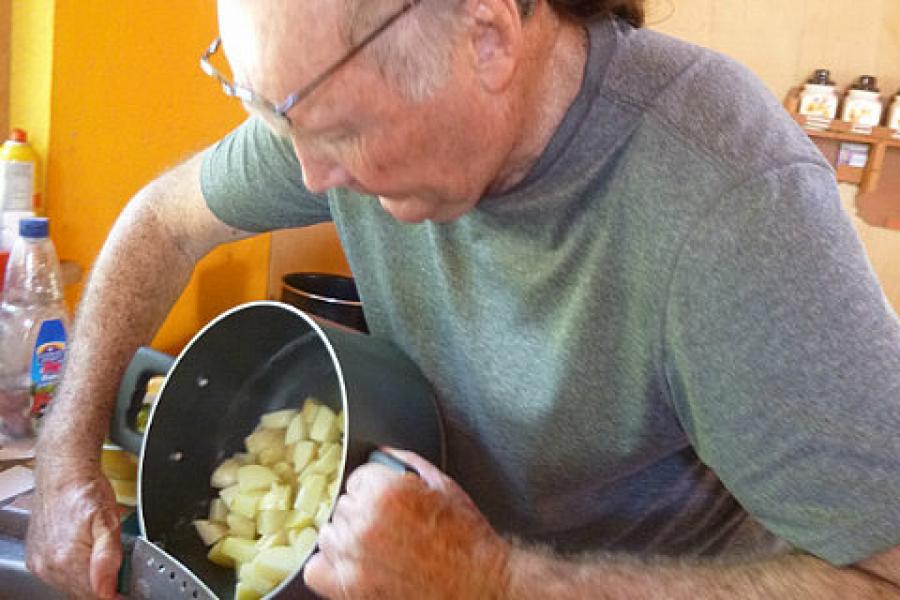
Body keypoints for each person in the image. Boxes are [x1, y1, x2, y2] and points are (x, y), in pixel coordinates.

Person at [25, 0, 900, 597]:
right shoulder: (336, 105)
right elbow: (163, 223)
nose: (309, 177)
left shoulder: (729, 200)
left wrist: (494, 580)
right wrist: (66, 457)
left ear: (486, 36)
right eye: (277, 121)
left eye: (335, 131)